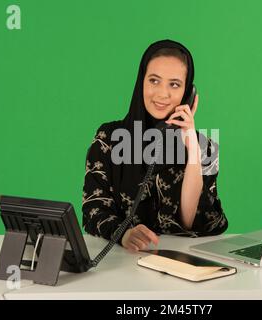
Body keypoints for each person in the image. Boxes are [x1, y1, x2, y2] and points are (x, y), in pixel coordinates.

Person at [82, 39, 227, 252]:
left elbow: (190, 221)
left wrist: (192, 151)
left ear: (189, 93)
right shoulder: (109, 138)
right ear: (141, 82)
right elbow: (94, 209)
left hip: (180, 267)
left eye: (174, 84)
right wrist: (124, 234)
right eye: (154, 81)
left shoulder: (204, 147)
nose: (162, 94)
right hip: (121, 263)